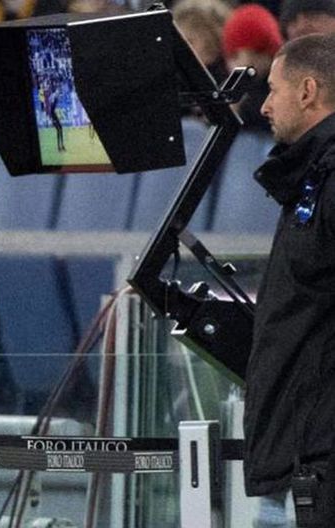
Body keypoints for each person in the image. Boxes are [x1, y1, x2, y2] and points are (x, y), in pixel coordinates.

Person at [246, 33, 335, 526]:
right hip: (302, 453)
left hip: (321, 452)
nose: (264, 106)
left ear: (307, 92)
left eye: (273, 90)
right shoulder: (310, 176)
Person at [221, 3, 283, 133]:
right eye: (235, 56)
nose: (246, 62)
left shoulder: (281, 83)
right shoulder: (223, 81)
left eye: (257, 53)